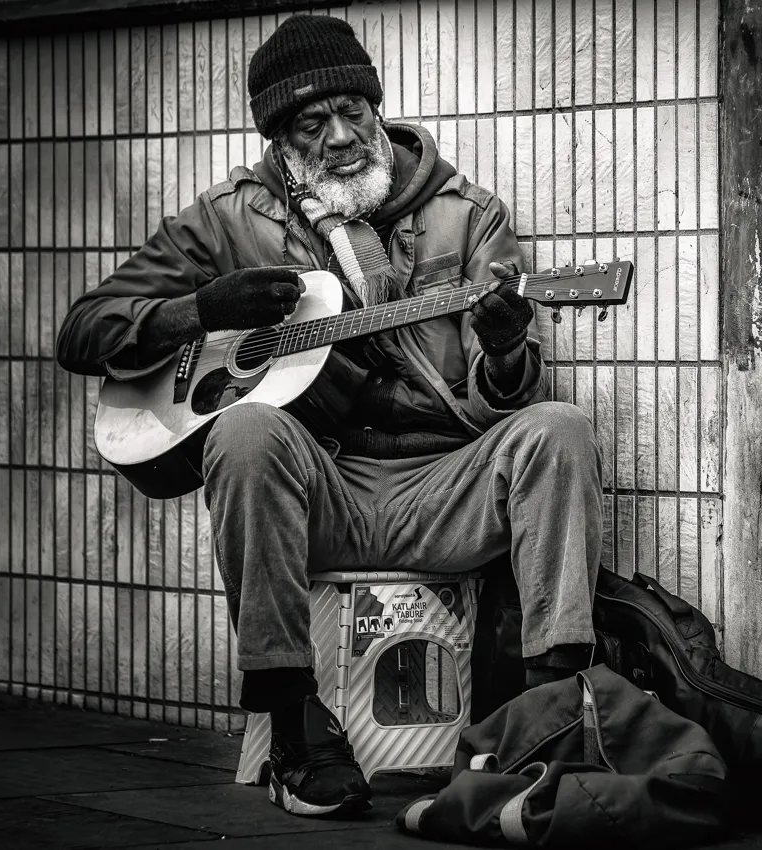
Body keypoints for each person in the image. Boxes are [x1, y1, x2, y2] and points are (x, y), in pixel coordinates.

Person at [55, 14, 602, 818]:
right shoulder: (228, 220)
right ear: (279, 140)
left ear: (378, 112)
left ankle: (551, 713)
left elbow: (510, 392)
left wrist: (507, 345)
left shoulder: (465, 212)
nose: (343, 136)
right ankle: (295, 727)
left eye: (355, 112)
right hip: (320, 492)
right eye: (314, 124)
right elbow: (82, 330)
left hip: (440, 486)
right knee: (243, 429)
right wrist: (200, 309)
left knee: (561, 430)